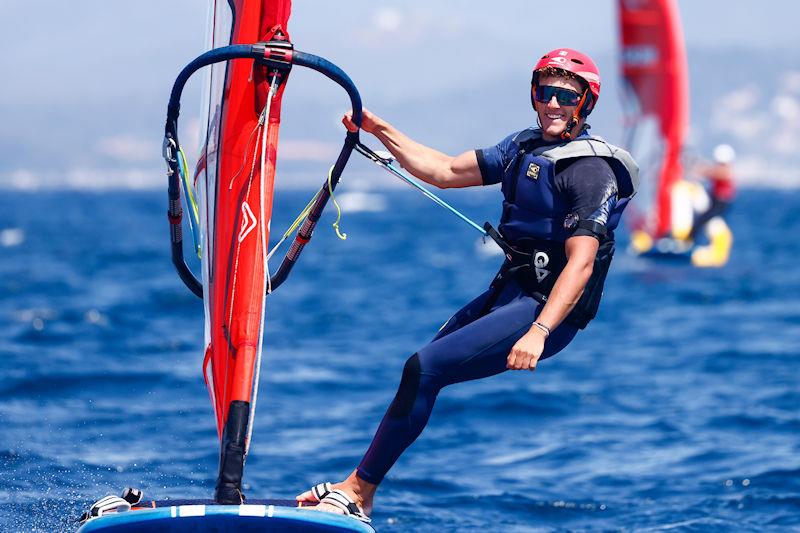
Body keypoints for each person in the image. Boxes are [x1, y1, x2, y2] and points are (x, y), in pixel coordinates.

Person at [296, 48, 638, 522]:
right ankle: (358, 490)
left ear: (586, 103)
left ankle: (357, 491)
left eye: (567, 95)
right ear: (535, 96)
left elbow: (580, 264)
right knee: (418, 373)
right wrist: (379, 131)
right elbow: (445, 171)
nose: (554, 103)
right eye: (546, 92)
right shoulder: (523, 147)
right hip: (508, 295)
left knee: (425, 367)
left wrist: (538, 332)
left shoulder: (589, 169)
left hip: (546, 310)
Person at [687, 144, 737, 242]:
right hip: (715, 199)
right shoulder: (721, 169)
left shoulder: (725, 170)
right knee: (701, 220)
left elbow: (717, 174)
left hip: (721, 202)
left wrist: (702, 169)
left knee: (703, 221)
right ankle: (690, 240)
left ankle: (689, 241)